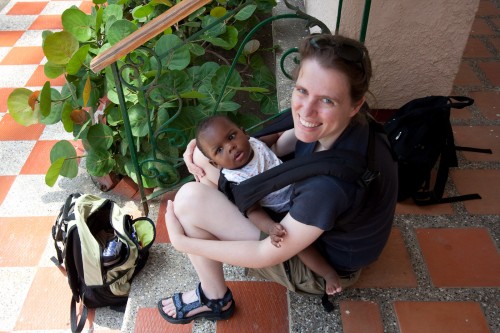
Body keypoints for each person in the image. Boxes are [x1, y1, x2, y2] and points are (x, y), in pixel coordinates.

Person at [158, 34, 398, 324]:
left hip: (321, 263)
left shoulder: (328, 189)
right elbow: (262, 147)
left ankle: (214, 298)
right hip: (309, 218)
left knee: (188, 202)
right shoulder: (339, 127)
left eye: (326, 100)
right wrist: (198, 150)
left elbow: (264, 253)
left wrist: (184, 243)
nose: (306, 112)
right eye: (302, 90)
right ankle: (219, 220)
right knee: (199, 160)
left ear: (354, 105)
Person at [194, 114, 342, 293]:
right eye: (219, 150)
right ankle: (327, 273)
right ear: (214, 163)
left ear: (244, 132)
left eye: (232, 136)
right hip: (281, 211)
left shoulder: (256, 143)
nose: (230, 147)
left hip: (299, 188)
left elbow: (277, 136)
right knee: (298, 244)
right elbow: (253, 211)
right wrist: (271, 227)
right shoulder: (237, 182)